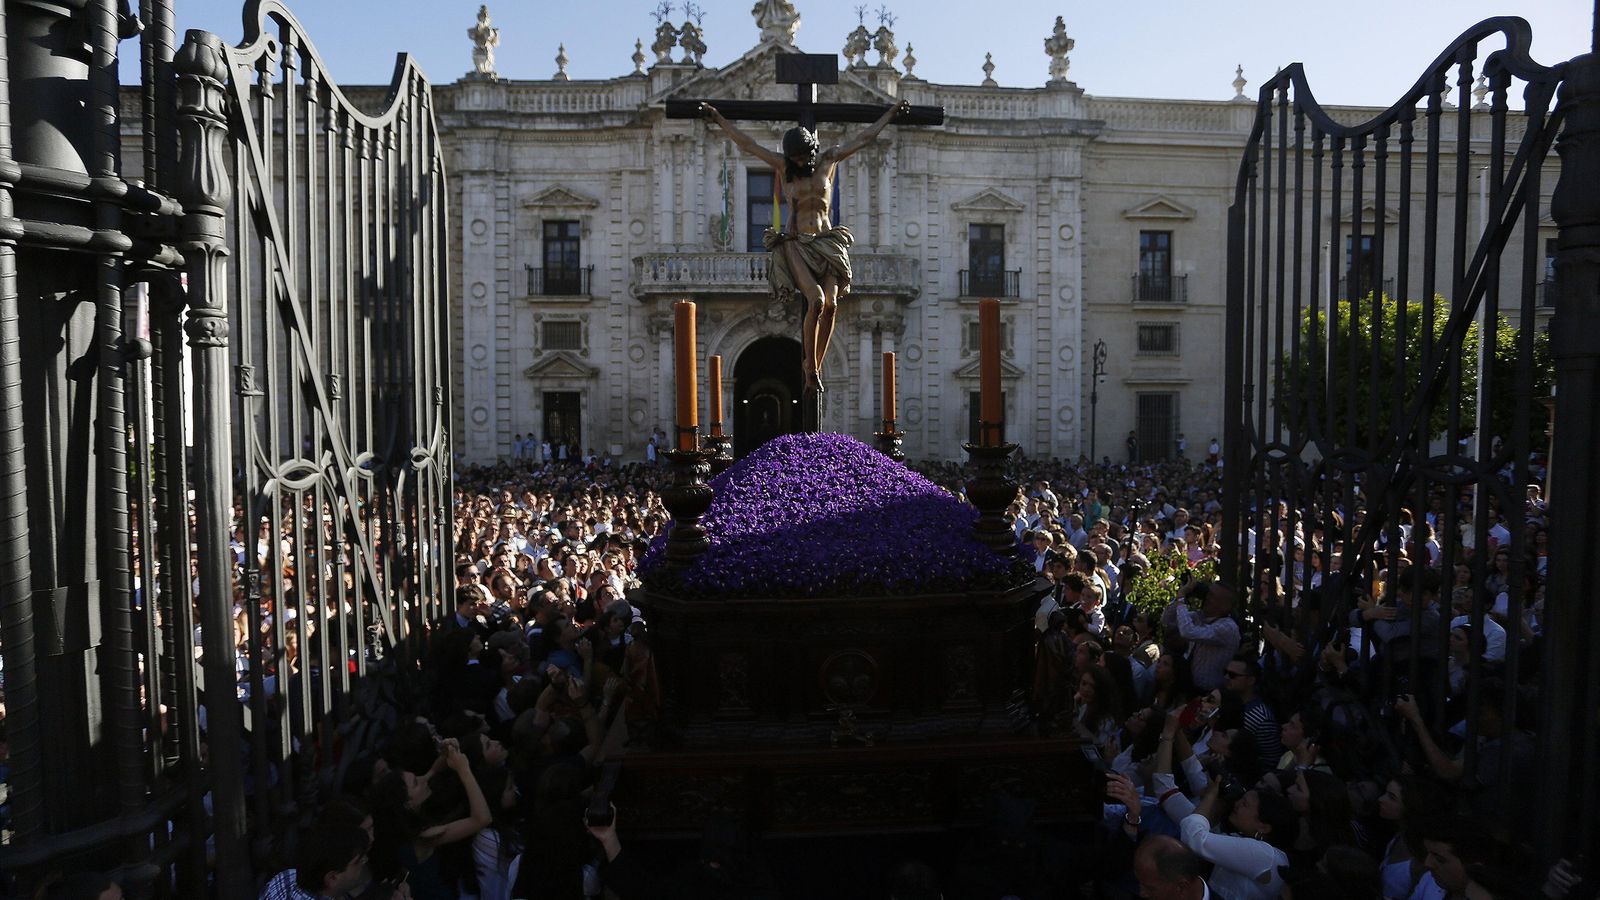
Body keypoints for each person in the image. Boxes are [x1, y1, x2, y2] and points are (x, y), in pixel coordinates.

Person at [700, 98, 910, 393]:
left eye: (802, 157)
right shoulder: (784, 167)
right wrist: (718, 118)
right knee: (817, 301)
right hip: (797, 243)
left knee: (833, 305)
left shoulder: (829, 160)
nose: (798, 162)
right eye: (794, 158)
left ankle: (816, 364)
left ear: (811, 152)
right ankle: (810, 367)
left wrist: (889, 114)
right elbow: (747, 144)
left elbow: (865, 137)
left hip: (828, 242)